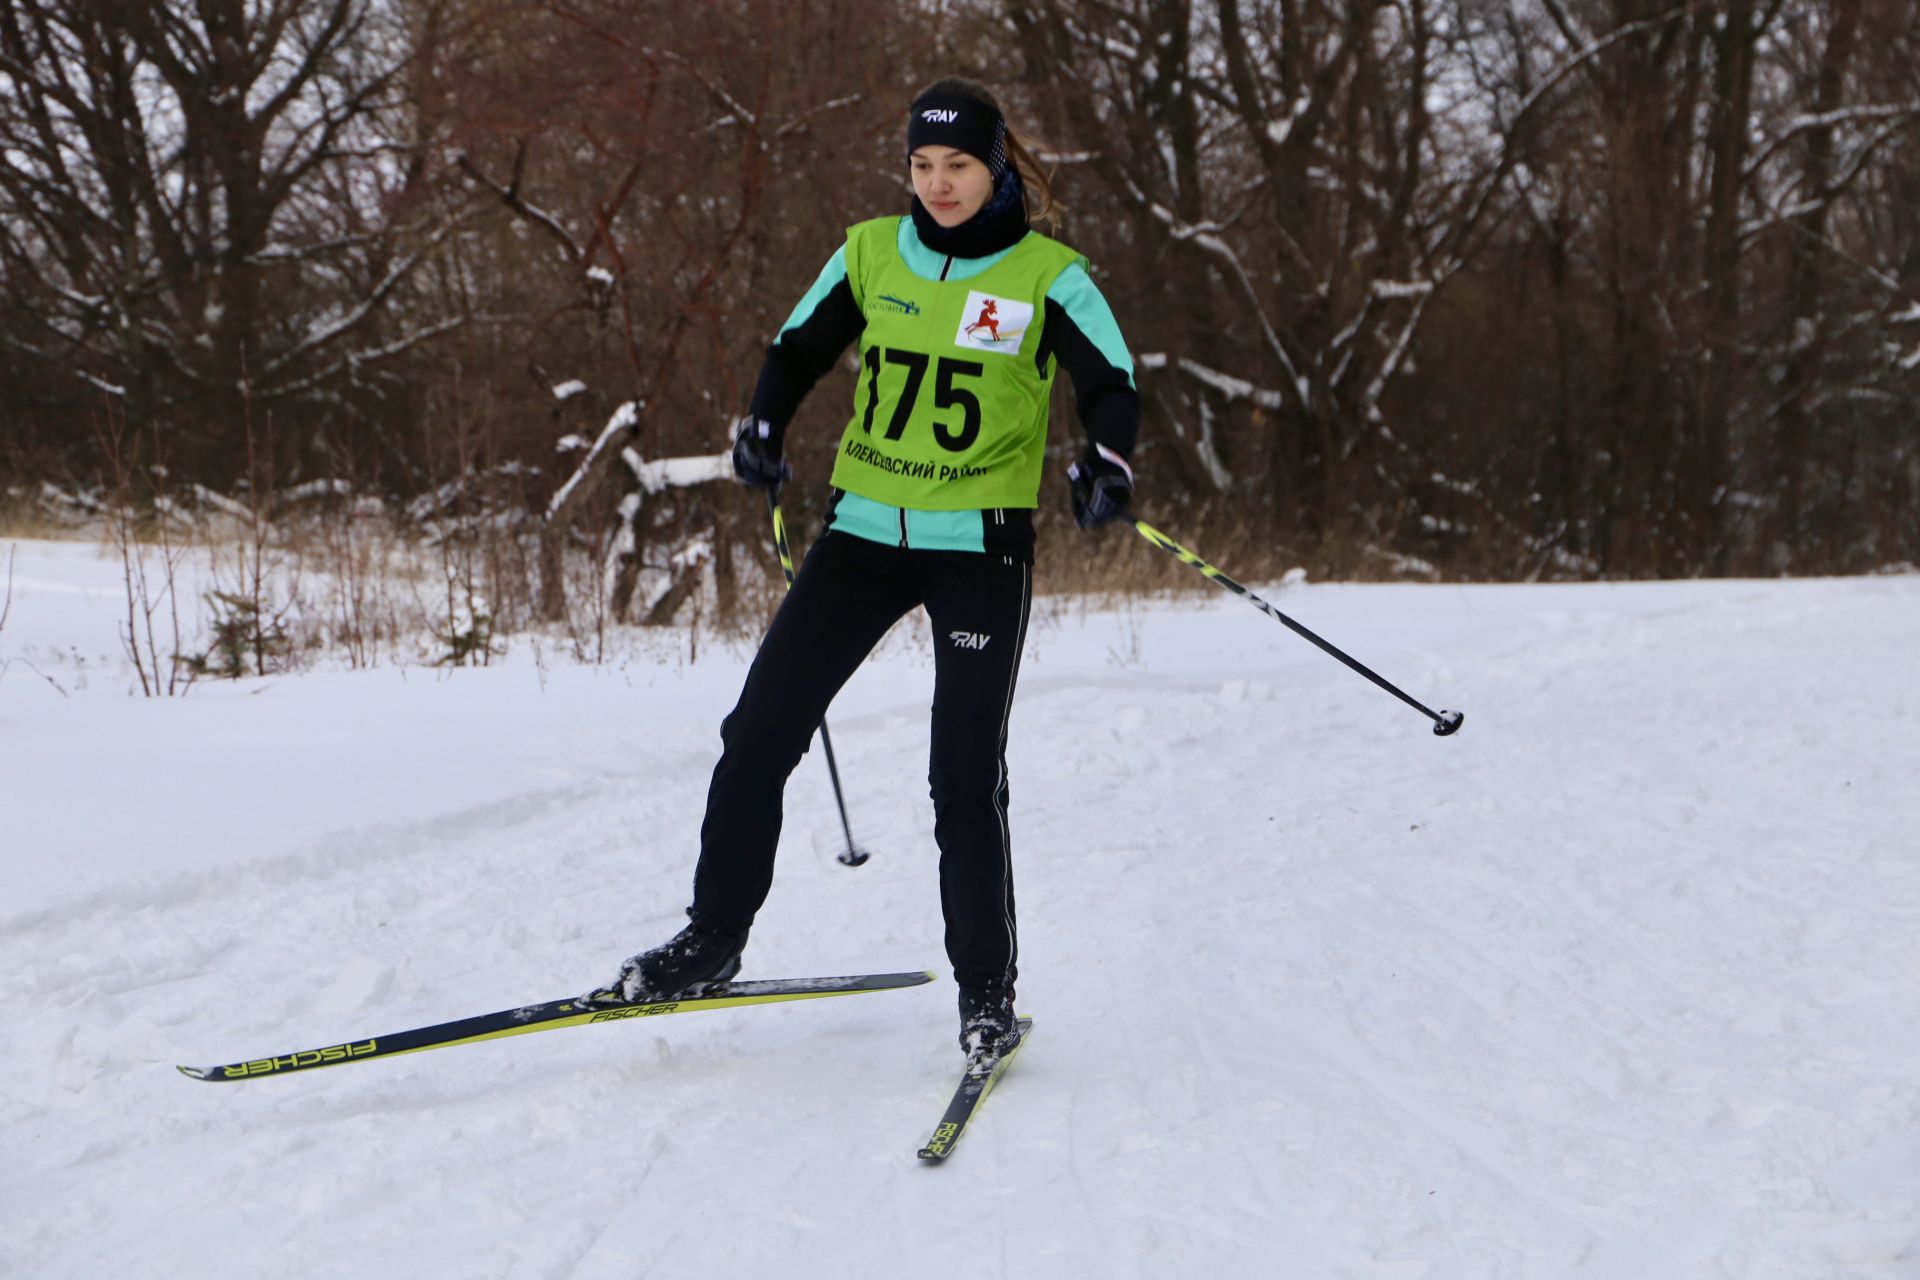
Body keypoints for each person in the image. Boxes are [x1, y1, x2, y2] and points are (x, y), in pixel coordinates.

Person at [590, 78, 1141, 1062]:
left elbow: (1112, 382)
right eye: (922, 166)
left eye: (959, 166)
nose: (938, 184)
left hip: (979, 547)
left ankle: (985, 993)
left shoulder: (1051, 276)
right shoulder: (870, 252)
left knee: (962, 778)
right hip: (863, 536)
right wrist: (760, 426)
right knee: (757, 732)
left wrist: (1107, 459)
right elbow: (795, 348)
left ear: (997, 165)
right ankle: (712, 938)